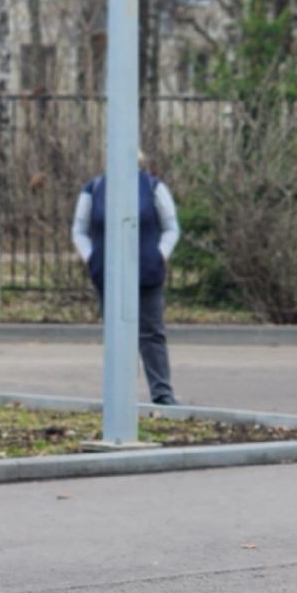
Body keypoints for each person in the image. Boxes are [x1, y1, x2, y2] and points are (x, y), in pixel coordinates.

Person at [71, 155, 180, 405]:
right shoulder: (94, 189)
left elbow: (171, 227)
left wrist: (160, 254)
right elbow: (79, 230)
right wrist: (91, 257)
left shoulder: (152, 187)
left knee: (151, 333)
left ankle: (162, 394)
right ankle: (119, 395)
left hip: (147, 271)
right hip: (107, 273)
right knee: (116, 334)